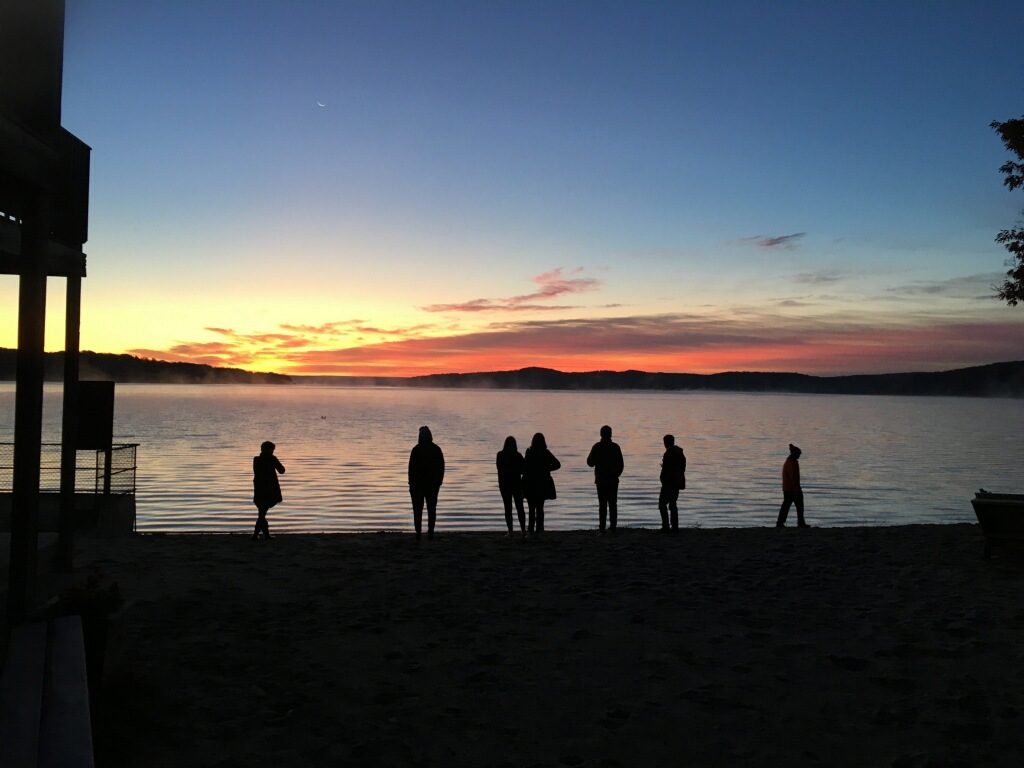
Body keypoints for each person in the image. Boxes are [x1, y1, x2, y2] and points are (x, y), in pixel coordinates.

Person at [586, 425, 624, 533]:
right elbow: (621, 465)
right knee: (613, 504)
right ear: (610, 434)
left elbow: (590, 463)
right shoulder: (615, 447)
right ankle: (613, 526)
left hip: (601, 480)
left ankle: (602, 527)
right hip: (612, 480)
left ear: (601, 434)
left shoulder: (597, 447)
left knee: (602, 504)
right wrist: (616, 475)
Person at [409, 426, 445, 539]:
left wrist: (411, 483)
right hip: (430, 485)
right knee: (431, 509)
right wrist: (439, 482)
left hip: (421, 485)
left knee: (418, 509)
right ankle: (429, 531)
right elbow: (441, 467)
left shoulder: (416, 449)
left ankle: (419, 531)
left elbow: (411, 469)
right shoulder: (435, 449)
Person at [523, 433, 560, 536]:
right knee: (540, 508)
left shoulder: (529, 452)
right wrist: (547, 469)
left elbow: (525, 467)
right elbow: (557, 464)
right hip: (542, 483)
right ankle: (540, 530)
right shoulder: (545, 452)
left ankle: (530, 530)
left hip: (531, 483)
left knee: (531, 509)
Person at [252, 441, 285, 540]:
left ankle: (262, 535)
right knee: (262, 513)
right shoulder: (272, 459)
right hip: (269, 490)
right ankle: (257, 535)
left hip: (259, 489)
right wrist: (275, 460)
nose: (273, 451)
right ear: (270, 450)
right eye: (272, 450)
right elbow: (282, 470)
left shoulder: (256, 459)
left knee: (262, 512)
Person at [496, 436, 526, 537]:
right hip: (517, 484)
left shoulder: (500, 455)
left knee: (507, 508)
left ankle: (511, 531)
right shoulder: (518, 455)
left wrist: (500, 484)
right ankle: (523, 530)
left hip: (505, 485)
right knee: (520, 508)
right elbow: (523, 470)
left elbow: (499, 470)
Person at [776, 443, 808, 528]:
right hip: (792, 489)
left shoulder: (790, 461)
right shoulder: (792, 462)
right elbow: (793, 477)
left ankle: (780, 522)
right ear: (794, 454)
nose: (799, 456)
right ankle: (800, 523)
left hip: (788, 488)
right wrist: (797, 489)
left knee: (786, 506)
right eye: (798, 454)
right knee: (798, 506)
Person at [658, 434, 686, 532]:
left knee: (662, 504)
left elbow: (667, 469)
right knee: (673, 504)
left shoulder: (669, 453)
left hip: (669, 483)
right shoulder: (679, 453)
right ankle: (674, 527)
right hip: (677, 482)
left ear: (666, 442)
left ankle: (666, 526)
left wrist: (664, 479)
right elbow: (682, 468)